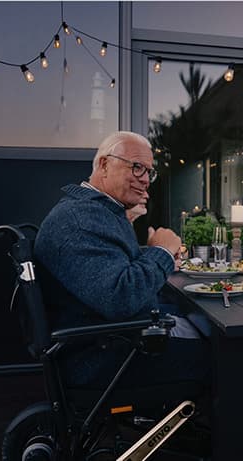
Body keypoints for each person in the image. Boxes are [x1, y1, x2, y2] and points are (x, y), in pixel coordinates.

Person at [35, 131, 210, 389]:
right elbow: (121, 297)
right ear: (105, 165)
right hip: (104, 357)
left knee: (204, 325)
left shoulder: (97, 212)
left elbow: (112, 271)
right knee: (223, 354)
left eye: (149, 172)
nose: (145, 180)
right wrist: (160, 252)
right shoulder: (80, 221)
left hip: (115, 338)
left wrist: (152, 255)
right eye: (137, 167)